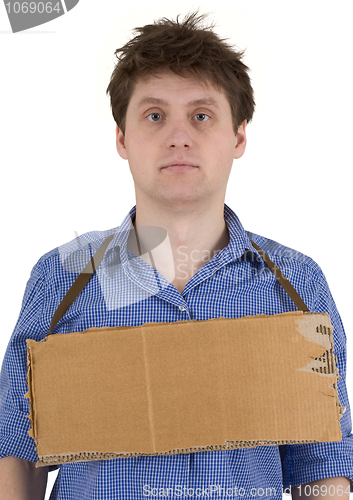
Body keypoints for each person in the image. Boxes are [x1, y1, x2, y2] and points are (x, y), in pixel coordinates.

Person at [0, 11, 352, 500]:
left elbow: (323, 463)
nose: (179, 136)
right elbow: (19, 450)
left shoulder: (294, 284)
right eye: (155, 115)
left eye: (202, 115)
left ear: (239, 137)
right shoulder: (64, 277)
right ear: (122, 138)